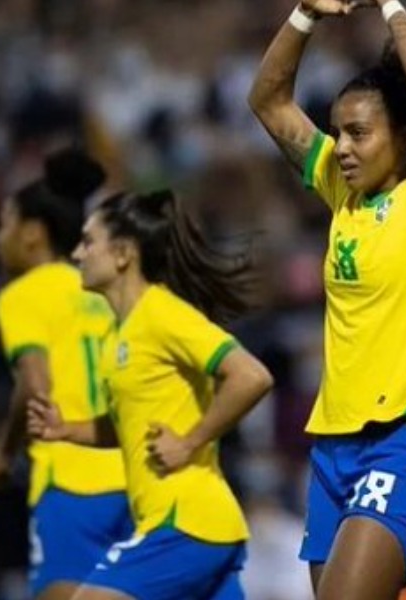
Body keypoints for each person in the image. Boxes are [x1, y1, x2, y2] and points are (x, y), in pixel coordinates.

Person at [249, 0, 406, 598]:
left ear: (401, 139)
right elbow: (268, 101)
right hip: (333, 447)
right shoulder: (339, 191)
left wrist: (390, 4)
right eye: (338, 132)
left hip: (405, 440)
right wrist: (304, 15)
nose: (341, 147)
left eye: (358, 133)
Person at [28, 189, 274, 600]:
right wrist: (67, 428)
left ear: (123, 254)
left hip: (183, 521)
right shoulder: (121, 332)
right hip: (200, 528)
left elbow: (251, 376)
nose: (76, 253)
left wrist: (190, 441)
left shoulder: (162, 313)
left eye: (89, 241)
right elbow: (129, 427)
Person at [0, 147, 132, 600]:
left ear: (31, 234)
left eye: (5, 223)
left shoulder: (22, 295)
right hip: (132, 476)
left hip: (69, 482)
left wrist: (4, 452)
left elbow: (34, 383)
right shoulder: (106, 288)